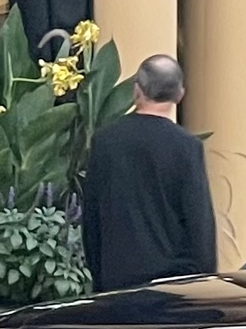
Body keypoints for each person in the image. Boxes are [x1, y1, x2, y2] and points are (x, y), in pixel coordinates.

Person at [83, 52, 215, 289]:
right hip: (173, 287)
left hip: (117, 283)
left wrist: (99, 276)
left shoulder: (105, 142)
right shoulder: (187, 147)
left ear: (137, 90)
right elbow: (199, 224)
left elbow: (91, 218)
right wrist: (204, 280)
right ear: (180, 94)